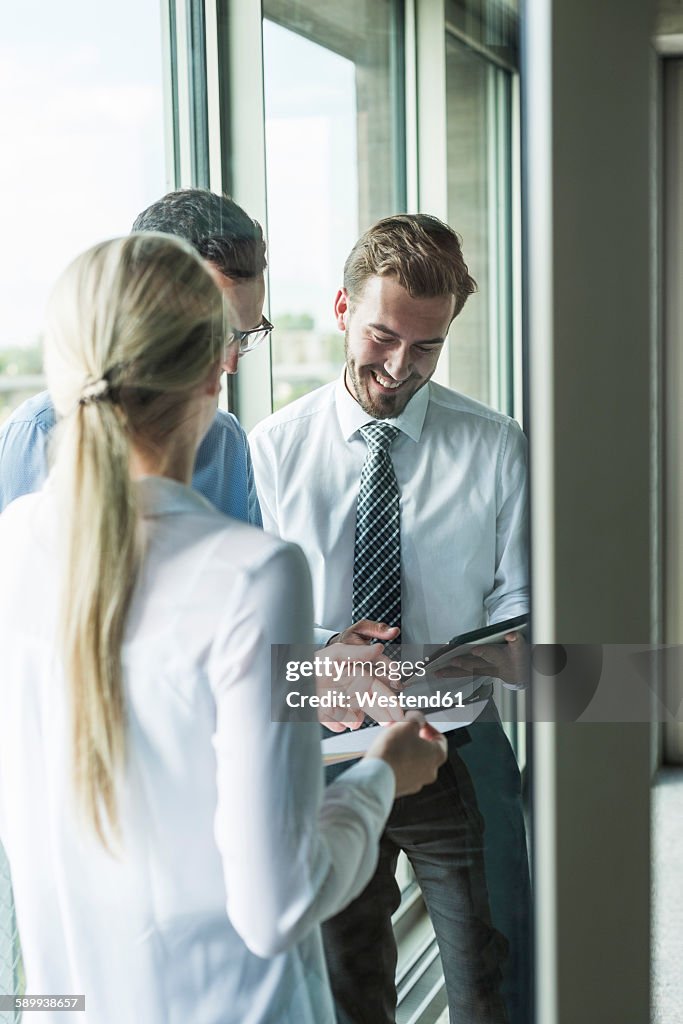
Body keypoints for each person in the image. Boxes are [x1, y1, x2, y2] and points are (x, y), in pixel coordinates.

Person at [0, 233, 447, 1024]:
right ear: (217, 368)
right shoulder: (254, 572)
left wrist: (305, 673)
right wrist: (383, 773)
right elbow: (277, 908)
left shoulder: (14, 544)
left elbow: (175, 679)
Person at [249, 214, 531, 1024]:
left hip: (459, 746)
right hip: (322, 754)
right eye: (382, 336)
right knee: (348, 991)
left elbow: (518, 616)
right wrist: (318, 656)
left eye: (426, 347)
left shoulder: (495, 446)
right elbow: (247, 642)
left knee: (493, 981)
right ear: (342, 309)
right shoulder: (270, 452)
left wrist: (461, 667)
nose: (400, 367)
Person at [0, 189, 266, 522]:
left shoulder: (229, 444)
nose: (230, 364)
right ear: (138, 305)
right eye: (213, 334)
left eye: (245, 336)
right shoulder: (38, 434)